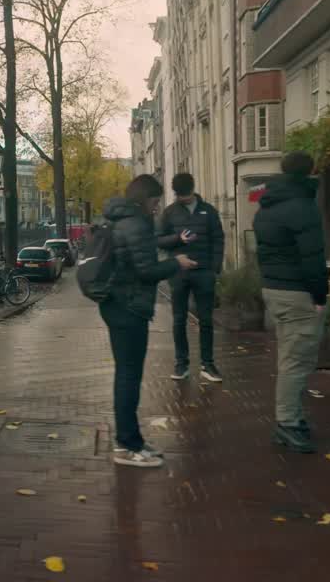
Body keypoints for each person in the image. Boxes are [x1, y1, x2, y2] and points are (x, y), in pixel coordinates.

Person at [101, 174, 197, 468]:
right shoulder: (138, 223)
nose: (157, 207)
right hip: (130, 306)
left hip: (116, 304)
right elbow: (146, 270)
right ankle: (127, 446)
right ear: (146, 199)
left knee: (126, 374)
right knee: (129, 376)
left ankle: (132, 440)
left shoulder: (118, 220)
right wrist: (176, 263)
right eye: (155, 201)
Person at [253, 151, 328, 454]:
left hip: (274, 288)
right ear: (309, 171)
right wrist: (320, 296)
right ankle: (288, 424)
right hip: (298, 292)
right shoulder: (303, 207)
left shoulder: (265, 207)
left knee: (289, 357)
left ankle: (291, 417)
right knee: (297, 362)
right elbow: (313, 257)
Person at [157, 173, 225, 383]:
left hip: (204, 272)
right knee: (179, 320)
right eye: (179, 196)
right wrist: (178, 238)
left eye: (185, 195)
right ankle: (181, 363)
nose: (183, 199)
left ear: (193, 190)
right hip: (179, 272)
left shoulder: (209, 211)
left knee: (206, 320)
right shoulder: (169, 213)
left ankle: (208, 364)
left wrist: (214, 268)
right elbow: (159, 240)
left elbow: (218, 239)